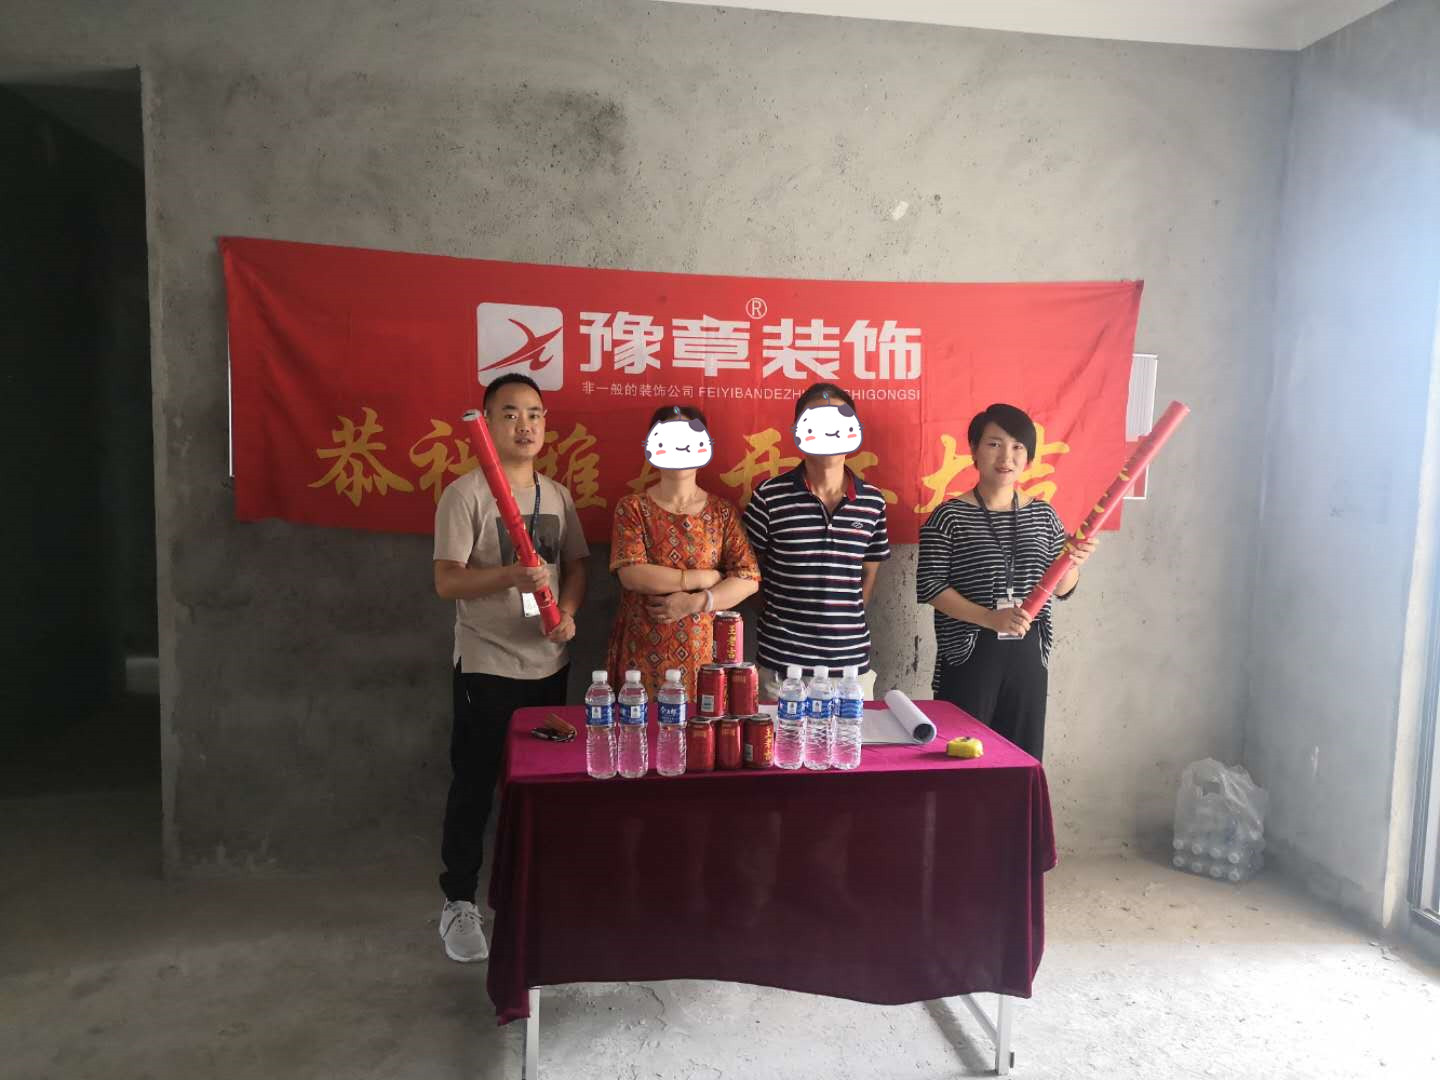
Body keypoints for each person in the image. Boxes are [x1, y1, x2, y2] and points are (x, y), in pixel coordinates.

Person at [431, 373, 589, 963]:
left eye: (534, 414)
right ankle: (458, 901)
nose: (525, 425)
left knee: (540, 788)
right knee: (475, 783)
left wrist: (567, 613)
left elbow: (576, 565)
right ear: (488, 423)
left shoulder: (557, 495)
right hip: (487, 665)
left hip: (549, 663)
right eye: (510, 414)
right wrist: (510, 576)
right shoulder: (465, 495)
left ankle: (529, 892)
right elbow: (447, 581)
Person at [916, 403, 1096, 760]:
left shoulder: (1043, 515)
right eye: (994, 444)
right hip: (968, 653)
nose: (1006, 457)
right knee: (963, 758)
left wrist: (1072, 562)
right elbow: (930, 586)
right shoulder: (949, 516)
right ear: (974, 450)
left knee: (1021, 757)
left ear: (1027, 457)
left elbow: (1063, 589)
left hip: (1028, 653)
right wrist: (989, 617)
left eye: (1017, 447)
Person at [742, 383, 891, 700]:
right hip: (782, 666)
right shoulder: (769, 497)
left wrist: (842, 620)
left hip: (849, 667)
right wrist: (776, 617)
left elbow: (869, 572)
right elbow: (746, 572)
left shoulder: (872, 502)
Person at [608, 404, 760, 699]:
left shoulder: (721, 512)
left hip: (705, 657)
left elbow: (748, 578)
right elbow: (632, 573)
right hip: (641, 656)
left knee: (703, 725)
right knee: (639, 726)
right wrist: (703, 578)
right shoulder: (633, 507)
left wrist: (696, 602)